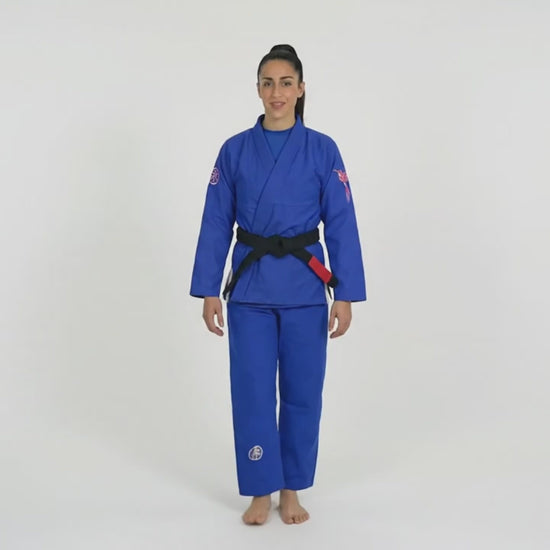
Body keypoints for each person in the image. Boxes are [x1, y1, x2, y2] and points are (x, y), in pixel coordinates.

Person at [190, 44, 366, 525]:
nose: (277, 92)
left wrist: (346, 294)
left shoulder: (323, 149)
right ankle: (259, 488)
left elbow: (342, 222)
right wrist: (209, 288)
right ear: (257, 89)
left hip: (306, 288)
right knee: (251, 391)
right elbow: (215, 221)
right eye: (268, 83)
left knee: (302, 392)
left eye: (286, 83)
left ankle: (291, 488)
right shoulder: (234, 150)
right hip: (250, 289)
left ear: (301, 89)